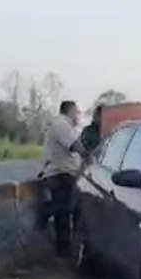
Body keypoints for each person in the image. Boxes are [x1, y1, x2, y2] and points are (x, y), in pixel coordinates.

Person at [39, 100, 87, 257]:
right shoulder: (61, 125)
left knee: (64, 214)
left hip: (63, 173)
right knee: (64, 211)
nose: (78, 116)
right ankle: (45, 213)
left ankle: (63, 249)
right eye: (77, 112)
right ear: (70, 111)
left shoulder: (65, 126)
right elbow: (75, 146)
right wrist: (90, 158)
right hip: (60, 174)